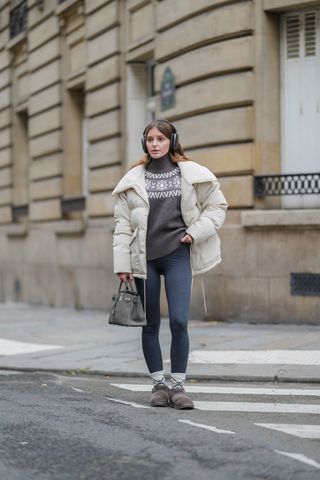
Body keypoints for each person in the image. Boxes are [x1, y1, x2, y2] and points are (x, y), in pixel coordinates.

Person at [112, 119, 227, 409]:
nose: (155, 144)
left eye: (160, 139)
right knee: (150, 324)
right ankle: (158, 385)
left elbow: (217, 207)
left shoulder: (191, 174)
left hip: (177, 255)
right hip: (144, 260)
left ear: (172, 141)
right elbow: (122, 225)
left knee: (179, 321)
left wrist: (194, 233)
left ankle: (178, 387)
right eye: (150, 139)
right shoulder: (133, 180)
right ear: (144, 143)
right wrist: (122, 263)